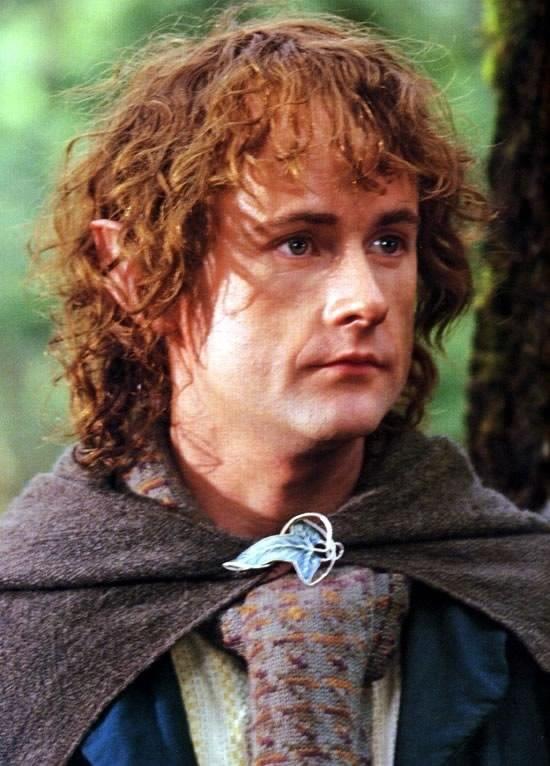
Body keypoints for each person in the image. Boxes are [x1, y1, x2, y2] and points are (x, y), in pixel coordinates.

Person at [1, 10, 550, 766]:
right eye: (298, 243)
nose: (365, 298)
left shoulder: (519, 599)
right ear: (135, 272)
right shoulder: (26, 626)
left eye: (389, 241)